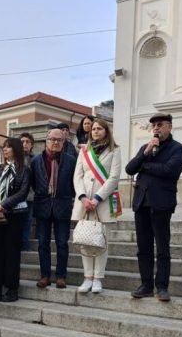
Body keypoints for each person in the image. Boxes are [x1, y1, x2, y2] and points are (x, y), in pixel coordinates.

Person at [125, 113, 182, 302]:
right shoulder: (146, 148)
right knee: (143, 248)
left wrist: (145, 166)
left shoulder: (179, 149)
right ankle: (146, 285)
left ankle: (162, 287)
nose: (156, 129)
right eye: (154, 126)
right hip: (141, 203)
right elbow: (129, 169)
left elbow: (170, 171)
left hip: (161, 204)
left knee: (162, 247)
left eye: (160, 125)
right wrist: (145, 154)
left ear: (170, 127)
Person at [71, 118, 123, 294]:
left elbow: (114, 177)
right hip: (84, 202)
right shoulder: (84, 151)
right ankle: (87, 278)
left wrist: (97, 198)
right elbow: (77, 176)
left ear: (106, 131)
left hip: (103, 202)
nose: (95, 131)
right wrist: (84, 197)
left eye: (99, 128)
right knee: (85, 241)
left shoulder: (115, 150)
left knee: (101, 242)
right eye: (93, 129)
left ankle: (98, 278)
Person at [30, 128, 76, 289]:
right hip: (42, 205)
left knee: (62, 243)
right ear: (46, 141)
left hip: (63, 206)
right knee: (43, 243)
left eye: (59, 140)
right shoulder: (36, 160)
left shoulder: (71, 160)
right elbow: (34, 183)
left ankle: (61, 276)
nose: (55, 142)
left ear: (64, 143)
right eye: (52, 139)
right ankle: (45, 276)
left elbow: (74, 183)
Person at [0, 138, 30, 303]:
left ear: (16, 149)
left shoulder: (24, 170)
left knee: (12, 253)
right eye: (3, 147)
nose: (5, 150)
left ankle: (12, 288)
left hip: (15, 216)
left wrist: (3, 206)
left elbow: (23, 192)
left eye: (8, 147)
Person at [20, 132, 35, 250]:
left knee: (28, 220)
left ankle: (24, 244)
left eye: (27, 142)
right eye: (22, 142)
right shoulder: (14, 159)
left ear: (31, 145)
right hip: (15, 196)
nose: (24, 144)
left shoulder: (35, 159)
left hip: (30, 196)